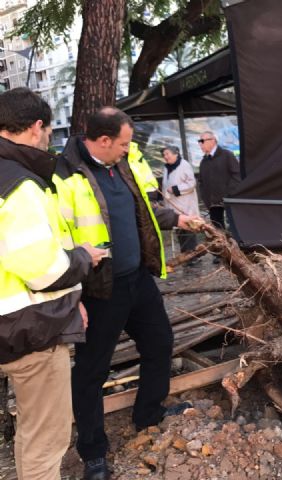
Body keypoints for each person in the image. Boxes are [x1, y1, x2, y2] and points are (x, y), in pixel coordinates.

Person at [54, 107, 201, 480]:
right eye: (122, 143)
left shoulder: (120, 166)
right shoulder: (64, 178)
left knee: (159, 343)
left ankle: (148, 413)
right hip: (100, 290)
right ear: (103, 141)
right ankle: (93, 452)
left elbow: (143, 211)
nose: (127, 149)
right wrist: (72, 299)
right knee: (92, 370)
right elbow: (58, 243)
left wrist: (177, 218)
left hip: (137, 279)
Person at [0, 87, 104, 480]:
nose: (49, 141)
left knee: (31, 432)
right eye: (47, 131)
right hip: (29, 328)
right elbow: (42, 271)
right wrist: (82, 258)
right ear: (36, 128)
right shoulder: (21, 186)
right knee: (45, 439)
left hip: (12, 326)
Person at [161, 145, 200, 258]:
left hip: (185, 204)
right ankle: (185, 255)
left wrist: (175, 189)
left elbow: (191, 183)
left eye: (167, 154)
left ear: (175, 154)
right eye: (164, 155)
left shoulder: (184, 165)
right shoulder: (166, 168)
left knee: (188, 230)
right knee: (180, 230)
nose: (165, 157)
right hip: (173, 204)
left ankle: (193, 256)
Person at [197, 131, 240, 230]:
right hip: (213, 205)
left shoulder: (227, 155)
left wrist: (229, 194)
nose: (200, 144)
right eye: (199, 142)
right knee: (218, 233)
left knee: (235, 230)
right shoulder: (204, 161)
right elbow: (201, 182)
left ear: (213, 141)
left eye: (202, 141)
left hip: (229, 201)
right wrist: (206, 199)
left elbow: (237, 175)